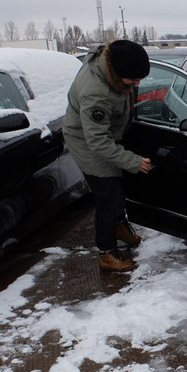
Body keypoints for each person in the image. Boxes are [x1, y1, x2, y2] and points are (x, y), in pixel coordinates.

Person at [63, 40, 153, 272]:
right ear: (117, 73)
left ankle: (119, 226)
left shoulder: (110, 62)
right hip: (88, 142)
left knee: (118, 186)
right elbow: (97, 141)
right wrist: (133, 161)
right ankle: (106, 253)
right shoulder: (96, 93)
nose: (137, 84)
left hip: (106, 134)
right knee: (108, 198)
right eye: (133, 79)